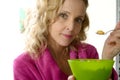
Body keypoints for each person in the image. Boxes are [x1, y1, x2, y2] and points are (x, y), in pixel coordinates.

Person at [13, 0, 120, 80]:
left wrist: (107, 56)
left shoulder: (88, 53)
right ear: (45, 16)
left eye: (78, 19)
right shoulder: (24, 64)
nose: (71, 27)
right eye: (63, 15)